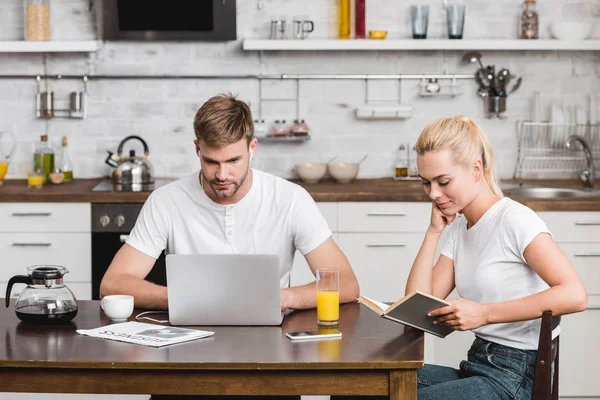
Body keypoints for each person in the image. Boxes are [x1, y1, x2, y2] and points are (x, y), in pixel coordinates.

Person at [100, 93, 360, 400]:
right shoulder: (166, 201)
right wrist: (185, 299)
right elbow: (113, 284)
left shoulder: (290, 199)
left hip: (269, 357)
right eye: (211, 161)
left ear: (252, 148)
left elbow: (346, 284)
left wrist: (281, 298)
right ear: (197, 149)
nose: (222, 175)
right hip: (185, 357)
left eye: (233, 161)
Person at [333, 115, 587, 400]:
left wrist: (485, 313)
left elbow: (575, 295)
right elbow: (416, 311)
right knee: (353, 387)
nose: (434, 194)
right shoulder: (461, 228)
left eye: (443, 181)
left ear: (476, 169)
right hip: (479, 366)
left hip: (517, 378)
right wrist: (432, 232)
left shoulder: (514, 220)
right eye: (426, 183)